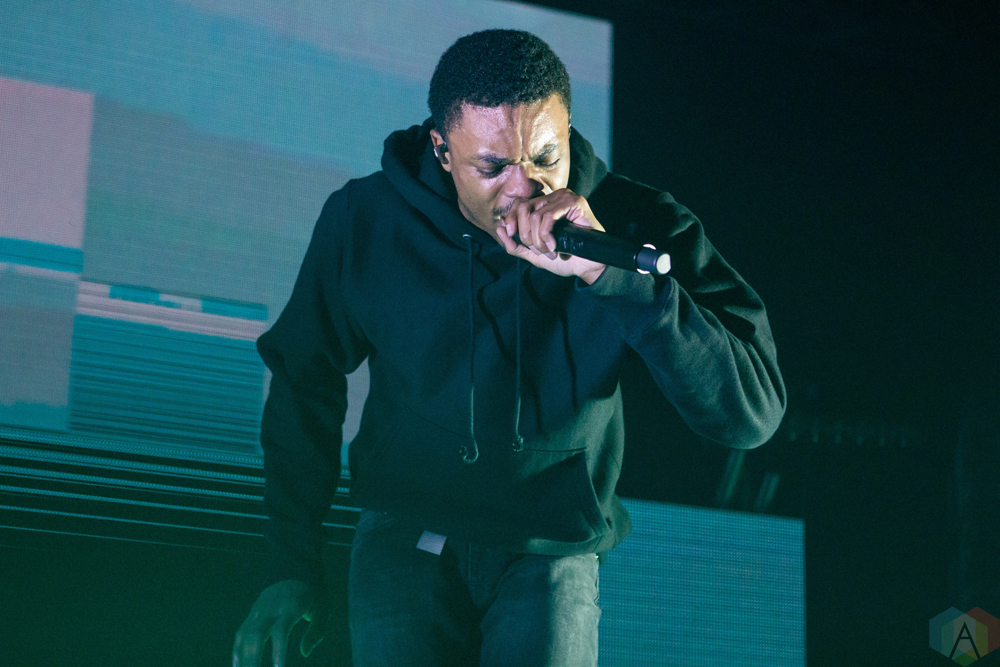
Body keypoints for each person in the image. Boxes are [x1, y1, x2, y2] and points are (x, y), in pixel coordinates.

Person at [232, 28, 785, 667]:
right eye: (492, 168)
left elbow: (751, 414)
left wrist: (611, 277)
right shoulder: (366, 218)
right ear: (442, 150)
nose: (525, 191)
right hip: (405, 532)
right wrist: (291, 565)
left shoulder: (635, 225)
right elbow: (304, 381)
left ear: (568, 130)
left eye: (546, 157)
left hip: (551, 545)